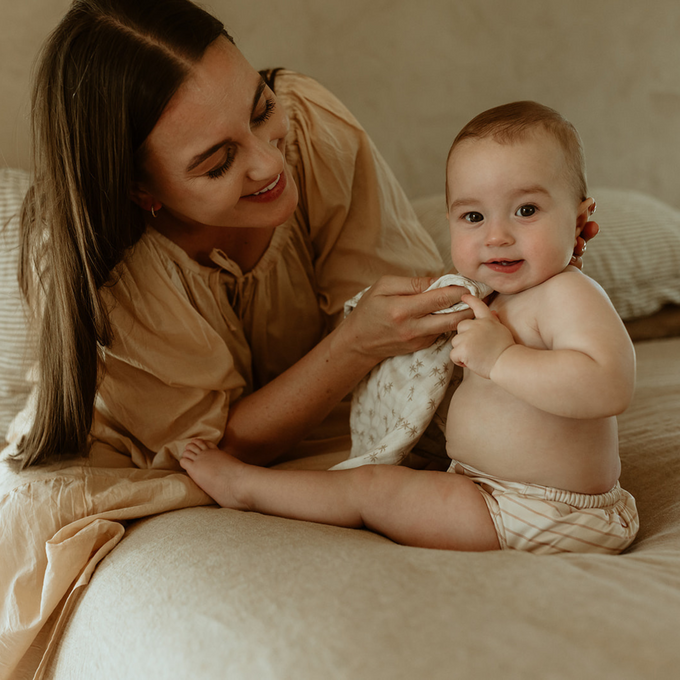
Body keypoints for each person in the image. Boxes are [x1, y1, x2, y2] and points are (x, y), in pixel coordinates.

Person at [14, 1, 595, 473]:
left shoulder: (312, 127)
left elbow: (416, 330)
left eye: (262, 110)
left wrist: (537, 273)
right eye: (218, 164)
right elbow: (215, 451)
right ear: (141, 191)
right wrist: (352, 346)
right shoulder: (108, 272)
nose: (270, 165)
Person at [180, 101, 638, 555]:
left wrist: (502, 359)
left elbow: (608, 384)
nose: (496, 236)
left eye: (527, 210)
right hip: (491, 491)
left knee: (374, 492)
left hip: (543, 512)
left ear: (578, 219)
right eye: (473, 217)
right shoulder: (488, 296)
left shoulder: (567, 294)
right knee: (390, 484)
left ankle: (249, 487)